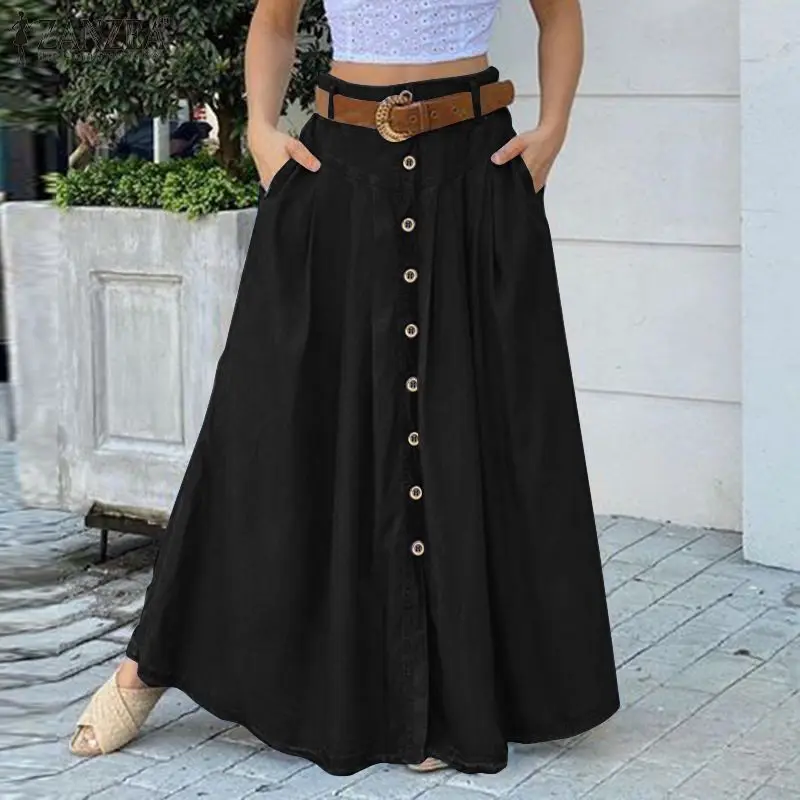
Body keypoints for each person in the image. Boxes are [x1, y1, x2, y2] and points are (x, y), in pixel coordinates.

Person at [70, 0, 620, 776]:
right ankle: (150, 662)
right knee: (262, 420)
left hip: (474, 172)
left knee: (474, 420)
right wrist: (262, 131)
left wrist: (554, 126)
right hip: (339, 172)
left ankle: (443, 698)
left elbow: (558, 15)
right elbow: (274, 21)